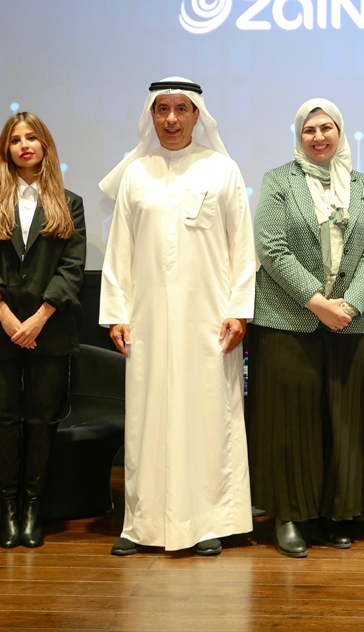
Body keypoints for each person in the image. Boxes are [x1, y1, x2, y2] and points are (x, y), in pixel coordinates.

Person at [99, 77, 256, 557]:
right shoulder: (136, 173)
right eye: (162, 109)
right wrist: (116, 314)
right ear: (151, 115)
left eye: (181, 109)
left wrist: (239, 310)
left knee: (207, 416)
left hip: (210, 319)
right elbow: (119, 250)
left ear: (196, 115)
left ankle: (209, 522)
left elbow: (242, 246)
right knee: (147, 419)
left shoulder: (222, 169)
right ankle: (141, 524)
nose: (171, 119)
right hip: (146, 319)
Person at [248, 99, 364, 558]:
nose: (319, 137)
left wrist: (350, 304)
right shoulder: (279, 181)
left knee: (342, 422)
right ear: (299, 136)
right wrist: (317, 302)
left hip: (351, 320)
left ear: (340, 133)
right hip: (288, 319)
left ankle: (335, 513)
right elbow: (271, 247)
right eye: (309, 130)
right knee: (288, 423)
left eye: (327, 128)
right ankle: (289, 515)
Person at [0, 112, 87, 549]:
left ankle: (33, 508)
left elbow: (72, 268)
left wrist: (39, 317)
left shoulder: (69, 203)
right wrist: (4, 312)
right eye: (15, 140)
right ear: (6, 149)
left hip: (49, 329)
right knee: (2, 421)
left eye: (32, 138)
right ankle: (9, 510)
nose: (24, 145)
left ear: (45, 145)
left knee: (41, 420)